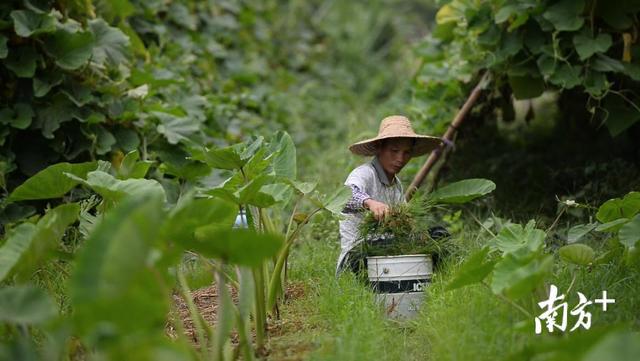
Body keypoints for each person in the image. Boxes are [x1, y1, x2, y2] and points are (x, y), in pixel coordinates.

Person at [336, 115, 442, 275]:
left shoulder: (396, 186)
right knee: (380, 244)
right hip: (358, 258)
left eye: (406, 153)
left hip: (386, 255)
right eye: (394, 151)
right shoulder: (364, 174)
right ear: (380, 147)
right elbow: (345, 198)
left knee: (437, 235)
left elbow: (404, 225)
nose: (400, 159)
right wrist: (370, 203)